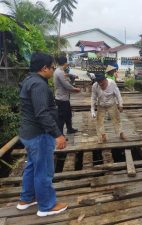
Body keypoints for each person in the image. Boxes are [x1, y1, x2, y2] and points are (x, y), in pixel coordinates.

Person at [17, 52, 68, 217]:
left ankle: (26, 199)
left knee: (32, 166)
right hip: (38, 135)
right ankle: (46, 205)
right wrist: (57, 134)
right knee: (44, 171)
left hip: (28, 133)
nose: (53, 70)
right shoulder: (39, 85)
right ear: (44, 68)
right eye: (52, 68)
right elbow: (42, 113)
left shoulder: (28, 80)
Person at [91, 73, 126, 143]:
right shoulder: (95, 86)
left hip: (111, 104)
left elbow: (118, 95)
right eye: (98, 82)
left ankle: (121, 133)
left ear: (105, 79)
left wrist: (120, 105)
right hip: (101, 105)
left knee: (117, 119)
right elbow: (93, 98)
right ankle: (102, 135)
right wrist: (92, 110)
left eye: (102, 82)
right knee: (99, 121)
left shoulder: (112, 83)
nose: (100, 84)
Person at [54, 56, 81, 135]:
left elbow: (66, 76)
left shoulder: (59, 71)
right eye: (67, 62)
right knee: (62, 117)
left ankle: (69, 129)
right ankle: (60, 134)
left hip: (63, 97)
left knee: (68, 114)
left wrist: (71, 75)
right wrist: (75, 89)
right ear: (65, 63)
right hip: (61, 98)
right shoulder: (60, 72)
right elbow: (67, 85)